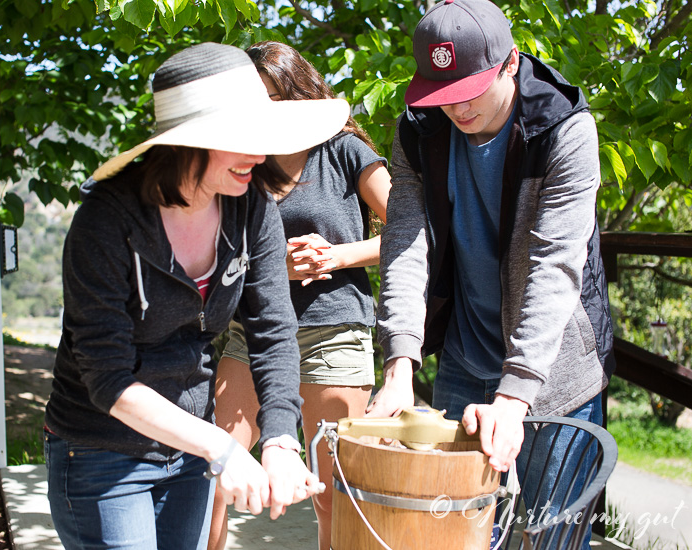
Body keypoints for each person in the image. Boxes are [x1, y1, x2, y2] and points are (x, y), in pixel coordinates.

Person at [43, 42, 351, 550]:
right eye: (241, 137)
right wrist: (222, 448)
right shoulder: (106, 221)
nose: (260, 155)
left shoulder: (250, 208)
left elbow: (273, 334)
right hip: (101, 449)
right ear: (188, 142)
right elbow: (108, 380)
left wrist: (279, 438)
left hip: (189, 451)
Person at [367, 0, 615, 545]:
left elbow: (555, 265)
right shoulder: (419, 130)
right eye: (442, 92)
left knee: (552, 536)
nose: (456, 108)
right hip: (463, 357)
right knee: (449, 533)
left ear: (510, 63)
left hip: (555, 374)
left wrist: (515, 395)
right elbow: (405, 243)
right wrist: (400, 362)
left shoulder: (564, 129)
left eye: (469, 90)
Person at [208, 41, 392, 550]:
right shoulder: (242, 160)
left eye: (272, 97)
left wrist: (336, 256)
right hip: (255, 332)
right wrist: (265, 265)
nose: (262, 110)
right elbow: (215, 249)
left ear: (300, 93)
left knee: (333, 495)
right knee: (216, 472)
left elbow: (409, 232)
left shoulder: (344, 150)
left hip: (335, 333)